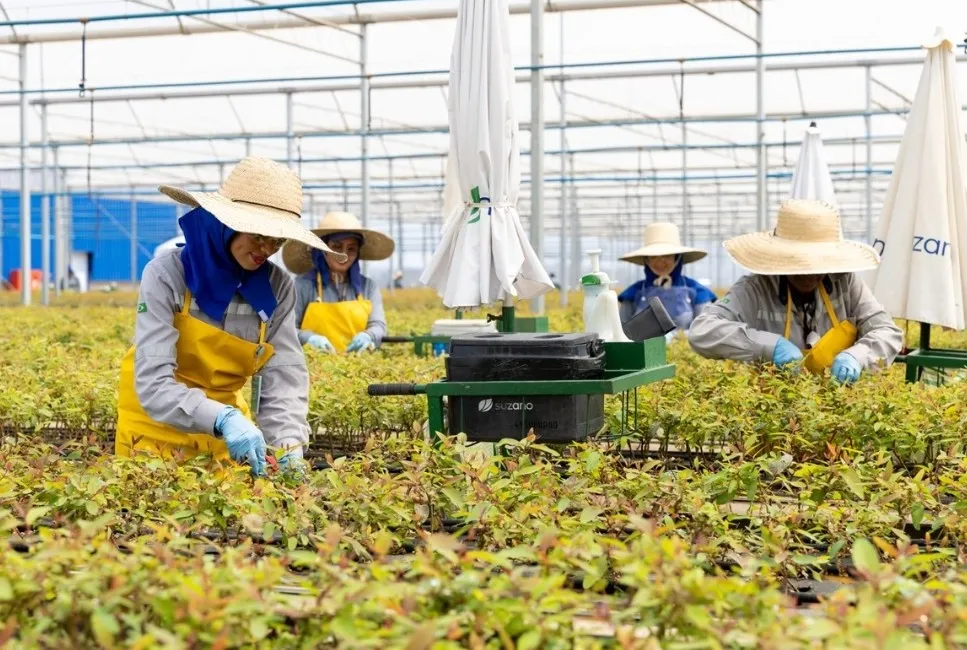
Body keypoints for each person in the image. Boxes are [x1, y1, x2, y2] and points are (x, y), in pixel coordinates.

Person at [116, 156, 343, 477]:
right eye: (257, 234)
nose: (267, 248)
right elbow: (153, 384)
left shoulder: (278, 287)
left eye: (278, 239)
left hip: (228, 438)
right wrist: (223, 417)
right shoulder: (167, 274)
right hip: (153, 432)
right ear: (226, 222)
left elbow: (285, 377)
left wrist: (288, 446)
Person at [688, 199, 903, 384]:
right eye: (799, 262)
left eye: (818, 263)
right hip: (773, 408)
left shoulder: (845, 283)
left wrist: (857, 357)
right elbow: (702, 331)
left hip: (841, 406)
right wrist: (769, 346)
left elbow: (888, 332)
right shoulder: (755, 289)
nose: (809, 272)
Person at [282, 211, 395, 354]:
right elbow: (287, 327)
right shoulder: (303, 285)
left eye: (351, 249)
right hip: (314, 367)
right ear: (322, 249)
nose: (344, 255)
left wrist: (368, 336)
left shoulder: (368, 287)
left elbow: (378, 325)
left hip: (357, 366)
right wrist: (308, 338)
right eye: (336, 247)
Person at [617, 222, 716, 330]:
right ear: (646, 260)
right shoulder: (634, 292)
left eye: (667, 256)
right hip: (643, 347)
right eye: (653, 257)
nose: (660, 262)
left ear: (677, 258)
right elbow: (622, 332)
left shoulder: (697, 291)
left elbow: (705, 331)